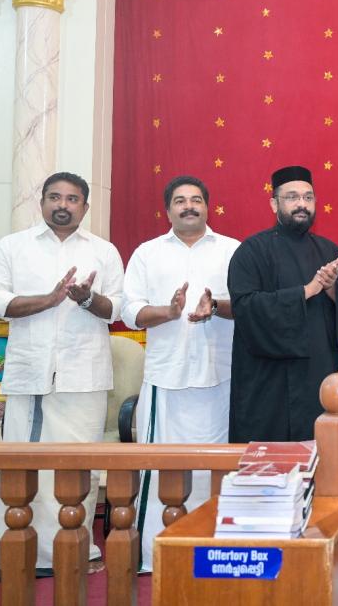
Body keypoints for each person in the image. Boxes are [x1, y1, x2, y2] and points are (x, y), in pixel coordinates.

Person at [0, 172, 124, 577]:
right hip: (33, 375)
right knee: (27, 468)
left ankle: (74, 550)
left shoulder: (103, 251)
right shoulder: (13, 246)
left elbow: (118, 309)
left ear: (85, 207)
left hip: (85, 376)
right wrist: (48, 300)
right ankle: (15, 555)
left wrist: (87, 299)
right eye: (55, 197)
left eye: (72, 199)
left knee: (80, 467)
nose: (63, 205)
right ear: (41, 201)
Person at [122, 175, 239, 572]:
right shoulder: (147, 253)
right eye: (180, 200)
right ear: (167, 210)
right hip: (165, 381)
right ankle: (157, 556)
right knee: (161, 471)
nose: (188, 206)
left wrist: (216, 306)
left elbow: (249, 305)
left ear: (208, 206)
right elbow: (129, 311)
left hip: (220, 378)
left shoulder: (233, 250)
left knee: (215, 471)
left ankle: (214, 555)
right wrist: (168, 312)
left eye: (196, 200)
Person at [227, 165, 338, 442]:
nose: (301, 204)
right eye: (292, 197)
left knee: (321, 452)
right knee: (267, 459)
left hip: (317, 374)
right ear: (274, 204)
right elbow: (245, 308)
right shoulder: (251, 251)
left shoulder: (329, 250)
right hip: (267, 381)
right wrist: (306, 291)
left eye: (308, 197)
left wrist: (330, 288)